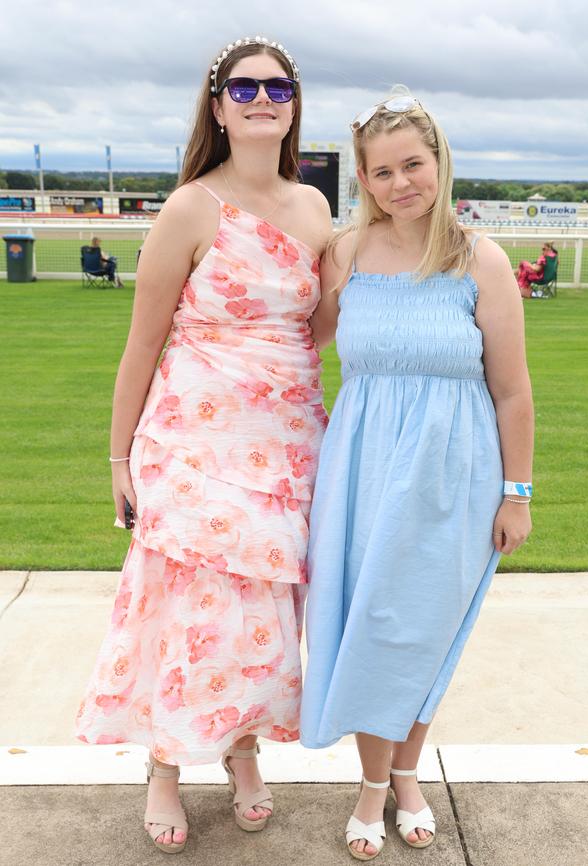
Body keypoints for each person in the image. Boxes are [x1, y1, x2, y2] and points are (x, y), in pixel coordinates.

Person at [75, 36, 332, 854]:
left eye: (278, 87)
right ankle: (165, 765)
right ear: (217, 105)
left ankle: (245, 751)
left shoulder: (317, 210)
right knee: (193, 610)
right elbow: (141, 344)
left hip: (288, 444)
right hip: (191, 443)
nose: (263, 99)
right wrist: (119, 462)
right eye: (244, 87)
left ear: (294, 104)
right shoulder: (191, 206)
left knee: (261, 615)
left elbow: (316, 331)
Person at [300, 89, 534, 860]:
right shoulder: (345, 255)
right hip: (362, 472)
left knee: (423, 634)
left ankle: (405, 774)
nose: (400, 183)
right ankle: (379, 785)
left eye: (413, 165)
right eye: (382, 171)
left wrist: (517, 492)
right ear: (363, 180)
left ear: (439, 164)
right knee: (370, 625)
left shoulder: (481, 260)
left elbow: (511, 390)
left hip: (451, 479)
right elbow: (296, 345)